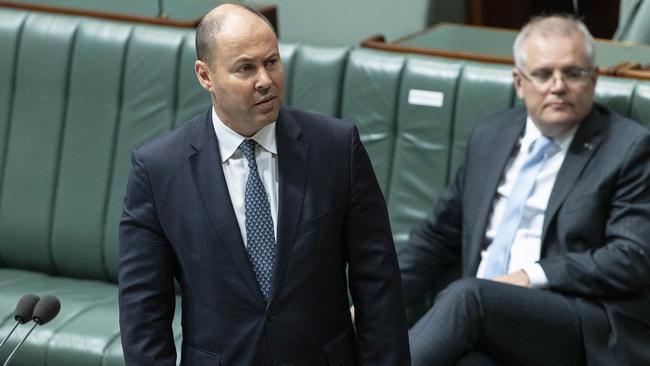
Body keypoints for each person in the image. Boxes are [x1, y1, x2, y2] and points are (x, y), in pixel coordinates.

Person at [118, 3, 410, 365]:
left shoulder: (336, 148)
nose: (265, 80)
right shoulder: (159, 170)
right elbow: (143, 313)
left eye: (271, 62)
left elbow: (378, 286)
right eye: (246, 68)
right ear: (205, 76)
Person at [399, 14, 650, 366]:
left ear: (594, 79)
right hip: (486, 323)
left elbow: (630, 258)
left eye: (573, 73)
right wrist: (372, 302)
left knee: (469, 297)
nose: (558, 86)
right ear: (519, 82)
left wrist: (530, 276)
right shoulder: (491, 136)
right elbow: (436, 236)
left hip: (572, 321)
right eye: (544, 74)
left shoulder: (628, 147)